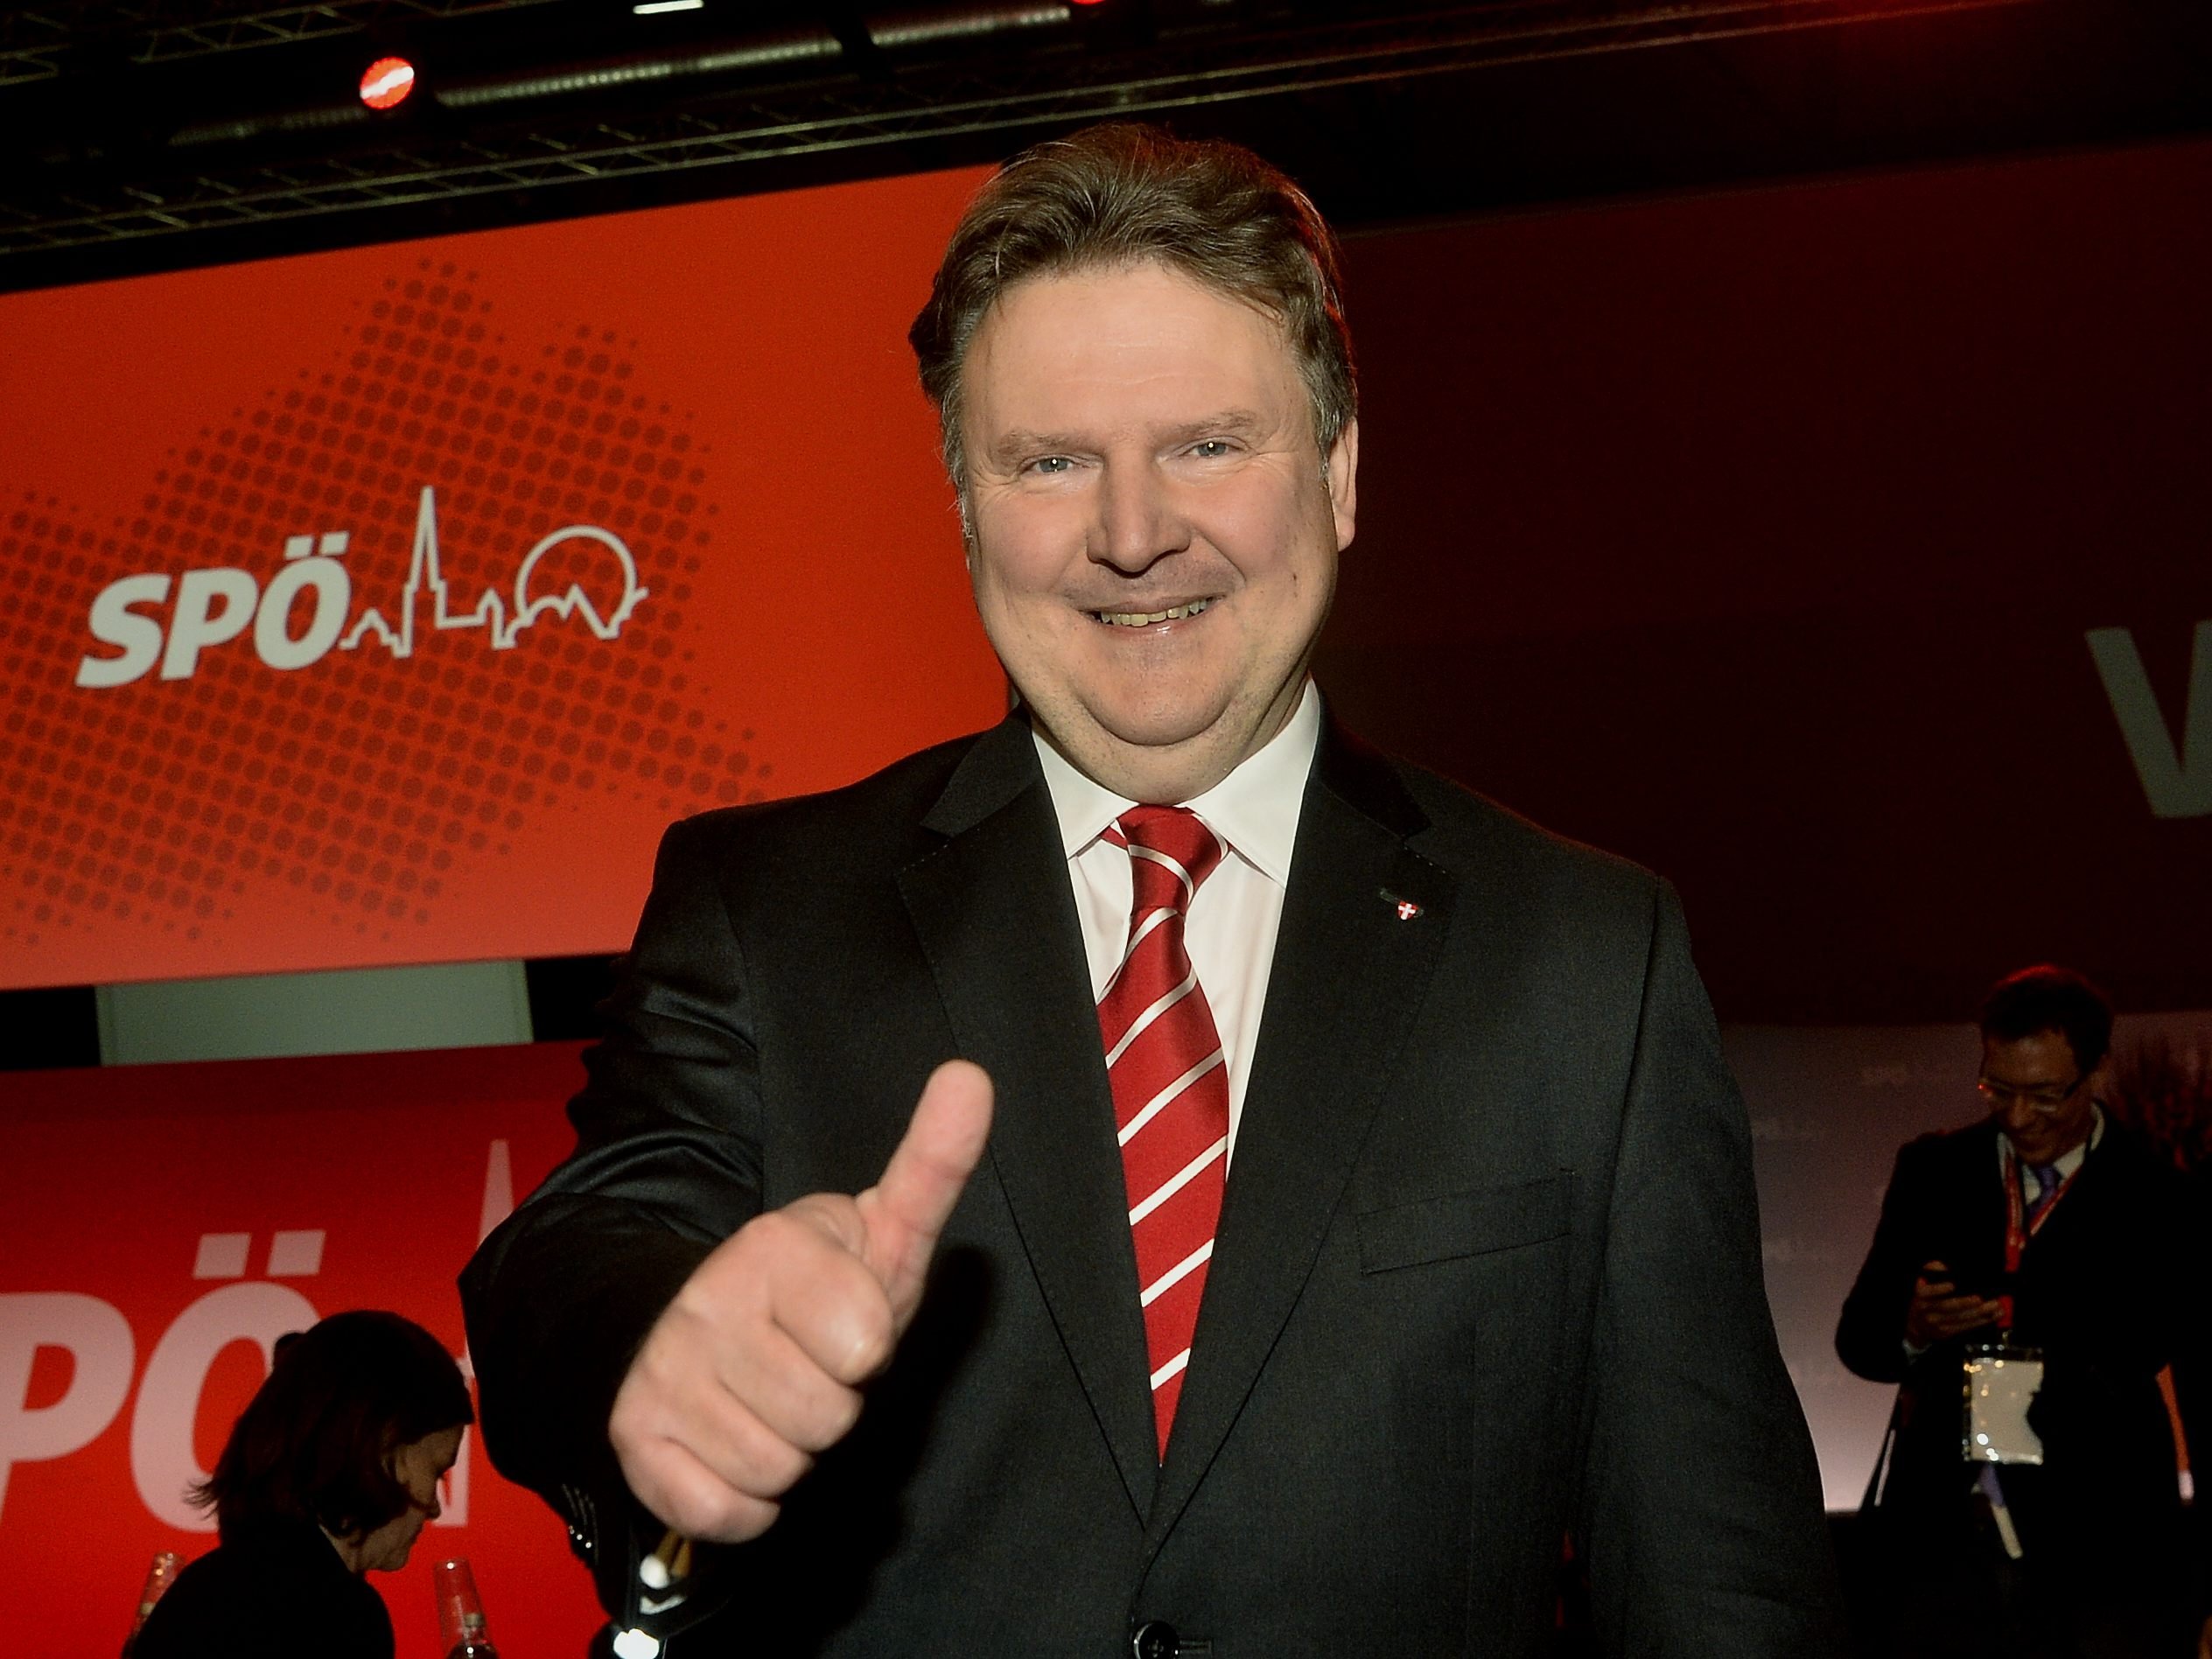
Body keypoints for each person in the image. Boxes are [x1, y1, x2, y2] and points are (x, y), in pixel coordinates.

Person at [461, 122, 1841, 1655]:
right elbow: (576, 1255)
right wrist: (660, 1342)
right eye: (1049, 462)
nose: (1131, 535)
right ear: (965, 507)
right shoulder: (768, 906)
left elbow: (1722, 1590)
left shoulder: (1583, 958)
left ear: (1336, 470)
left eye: (1205, 445)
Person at [1836, 965, 2208, 1656]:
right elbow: (1859, 1342)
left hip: (2105, 1554)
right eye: (1997, 1088)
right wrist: (1913, 1333)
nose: (2017, 1115)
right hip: (1943, 1548)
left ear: (2098, 1072)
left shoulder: (2164, 1202)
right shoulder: (1933, 1171)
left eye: (2044, 1094)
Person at [134, 1310, 472, 1659]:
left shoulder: (202, 1591)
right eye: (436, 1471)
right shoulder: (332, 1610)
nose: (434, 1506)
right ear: (383, 1447)